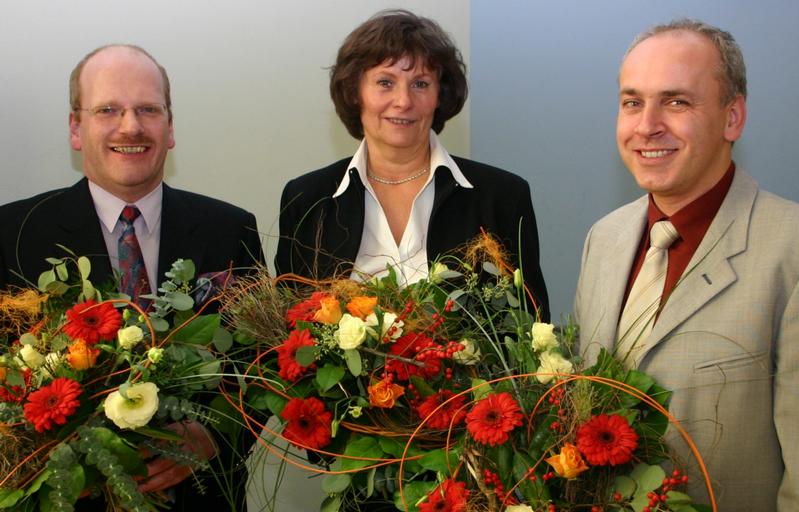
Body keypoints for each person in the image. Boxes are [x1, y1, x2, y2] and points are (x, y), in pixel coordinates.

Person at [0, 45, 263, 510]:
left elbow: (259, 369)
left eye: (148, 109)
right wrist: (47, 458)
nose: (131, 126)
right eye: (108, 110)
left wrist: (215, 434)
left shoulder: (231, 229)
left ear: (171, 127)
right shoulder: (12, 234)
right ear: (75, 129)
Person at [575, 19, 797, 511]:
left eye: (676, 101)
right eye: (632, 102)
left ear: (732, 118)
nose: (647, 124)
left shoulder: (791, 249)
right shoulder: (604, 240)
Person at [275, 9, 549, 321]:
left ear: (439, 95)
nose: (403, 101)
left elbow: (532, 326)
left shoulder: (502, 196)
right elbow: (288, 331)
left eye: (420, 84)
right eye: (385, 82)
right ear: (354, 93)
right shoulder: (307, 199)